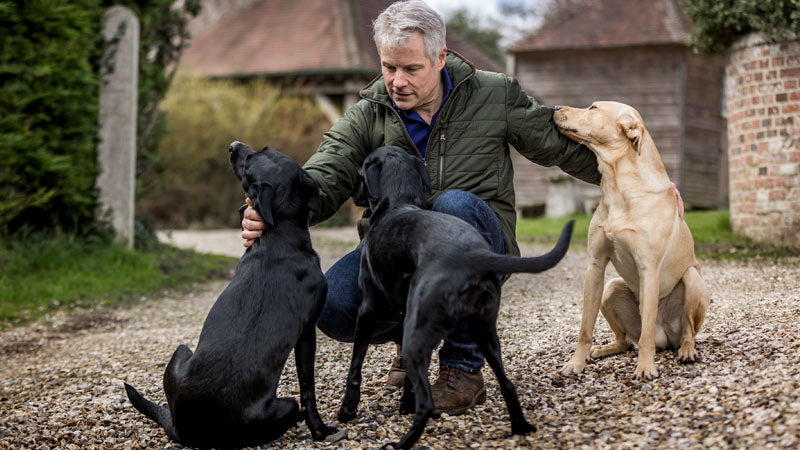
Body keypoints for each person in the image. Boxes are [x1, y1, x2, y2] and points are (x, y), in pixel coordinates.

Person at [241, 0, 603, 415]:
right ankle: (413, 341)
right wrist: (266, 212)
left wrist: (641, 179)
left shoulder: (494, 94)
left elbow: (560, 147)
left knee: (453, 206)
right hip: (401, 249)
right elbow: (324, 174)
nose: (396, 81)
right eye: (388, 67)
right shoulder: (368, 115)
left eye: (411, 69)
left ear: (440, 57)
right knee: (333, 303)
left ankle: (462, 369)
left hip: (476, 242)